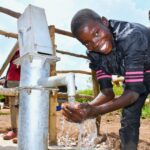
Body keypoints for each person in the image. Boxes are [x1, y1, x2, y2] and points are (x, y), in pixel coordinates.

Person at [62, 9, 150, 150]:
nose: (95, 43)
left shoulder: (130, 37)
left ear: (104, 22)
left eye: (96, 33)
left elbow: (133, 93)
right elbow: (107, 92)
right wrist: (85, 108)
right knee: (129, 119)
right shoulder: (94, 54)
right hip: (139, 74)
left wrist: (95, 111)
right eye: (87, 43)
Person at [3, 50, 20, 144]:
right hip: (11, 81)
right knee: (13, 108)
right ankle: (14, 131)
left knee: (22, 108)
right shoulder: (15, 51)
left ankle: (23, 133)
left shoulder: (29, 49)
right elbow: (10, 66)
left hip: (21, 81)